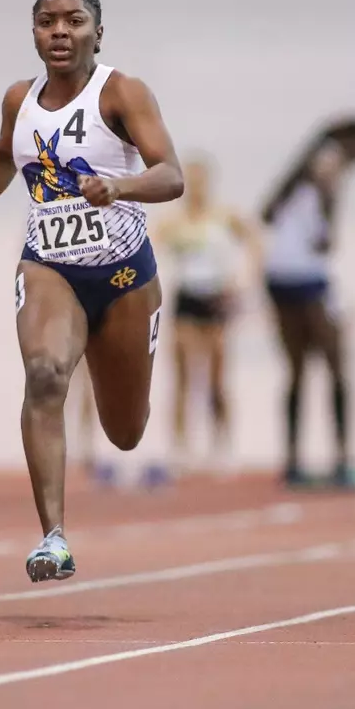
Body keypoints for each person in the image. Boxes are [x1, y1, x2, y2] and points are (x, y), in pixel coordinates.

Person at [0, 0, 183, 583]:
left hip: (123, 276)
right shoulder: (20, 99)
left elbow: (171, 176)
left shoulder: (122, 92)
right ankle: (53, 537)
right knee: (44, 374)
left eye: (74, 20)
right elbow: (3, 157)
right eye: (46, 21)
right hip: (49, 266)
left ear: (97, 31)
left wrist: (119, 186)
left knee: (125, 433)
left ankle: (121, 396)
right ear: (33, 32)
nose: (59, 32)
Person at [261, 118, 355, 489]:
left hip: (279, 275)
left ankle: (292, 461)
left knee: (296, 370)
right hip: (308, 278)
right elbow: (325, 237)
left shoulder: (298, 170)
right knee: (337, 367)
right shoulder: (330, 160)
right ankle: (342, 461)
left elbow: (267, 213)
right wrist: (330, 212)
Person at [152, 156, 256, 474]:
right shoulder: (174, 222)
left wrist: (243, 282)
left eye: (200, 181)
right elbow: (148, 249)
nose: (195, 188)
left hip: (215, 300)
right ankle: (181, 447)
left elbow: (255, 240)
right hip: (187, 300)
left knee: (217, 379)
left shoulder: (223, 217)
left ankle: (222, 444)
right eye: (190, 181)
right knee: (182, 376)